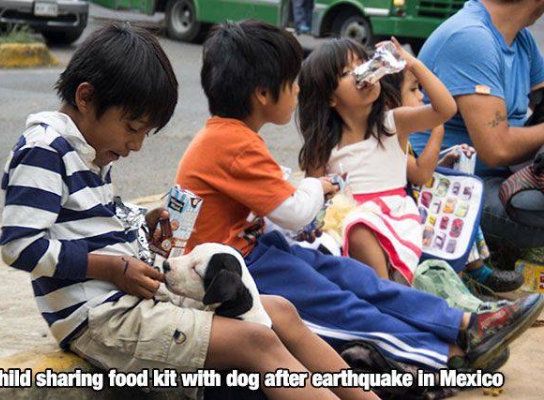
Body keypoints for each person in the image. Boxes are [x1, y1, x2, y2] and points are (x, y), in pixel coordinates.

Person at [0, 23, 380, 400]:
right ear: (86, 98)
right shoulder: (45, 150)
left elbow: (88, 220)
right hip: (102, 320)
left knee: (281, 311)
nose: (135, 145)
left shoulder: (89, 151)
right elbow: (21, 246)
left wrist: (141, 220)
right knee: (257, 342)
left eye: (144, 133)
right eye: (132, 127)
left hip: (129, 302)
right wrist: (113, 268)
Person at [175, 19, 544, 373]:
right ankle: (444, 353)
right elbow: (295, 211)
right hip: (236, 269)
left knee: (356, 278)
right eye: (292, 83)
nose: (299, 91)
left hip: (255, 250)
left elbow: (272, 209)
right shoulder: (232, 144)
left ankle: (466, 323)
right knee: (340, 305)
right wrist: (316, 187)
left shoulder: (232, 138)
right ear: (263, 93)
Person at [297, 38, 457, 283]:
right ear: (330, 98)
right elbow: (313, 200)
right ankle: (382, 295)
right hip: (344, 223)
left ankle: (386, 296)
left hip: (394, 218)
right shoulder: (324, 145)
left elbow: (445, 109)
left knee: (359, 227)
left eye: (364, 64)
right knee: (344, 232)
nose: (363, 74)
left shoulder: (392, 123)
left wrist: (411, 64)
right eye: (347, 73)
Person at [412, 0, 544, 250]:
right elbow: (497, 150)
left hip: (502, 176)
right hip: (452, 189)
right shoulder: (471, 39)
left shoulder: (520, 38)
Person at [381, 69, 524, 293]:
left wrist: (446, 161)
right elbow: (420, 174)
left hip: (412, 202)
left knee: (462, 197)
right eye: (413, 89)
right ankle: (471, 276)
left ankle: (477, 269)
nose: (420, 96)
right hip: (401, 216)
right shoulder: (388, 137)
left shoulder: (399, 134)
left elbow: (417, 174)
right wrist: (438, 129)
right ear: (390, 102)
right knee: (457, 211)